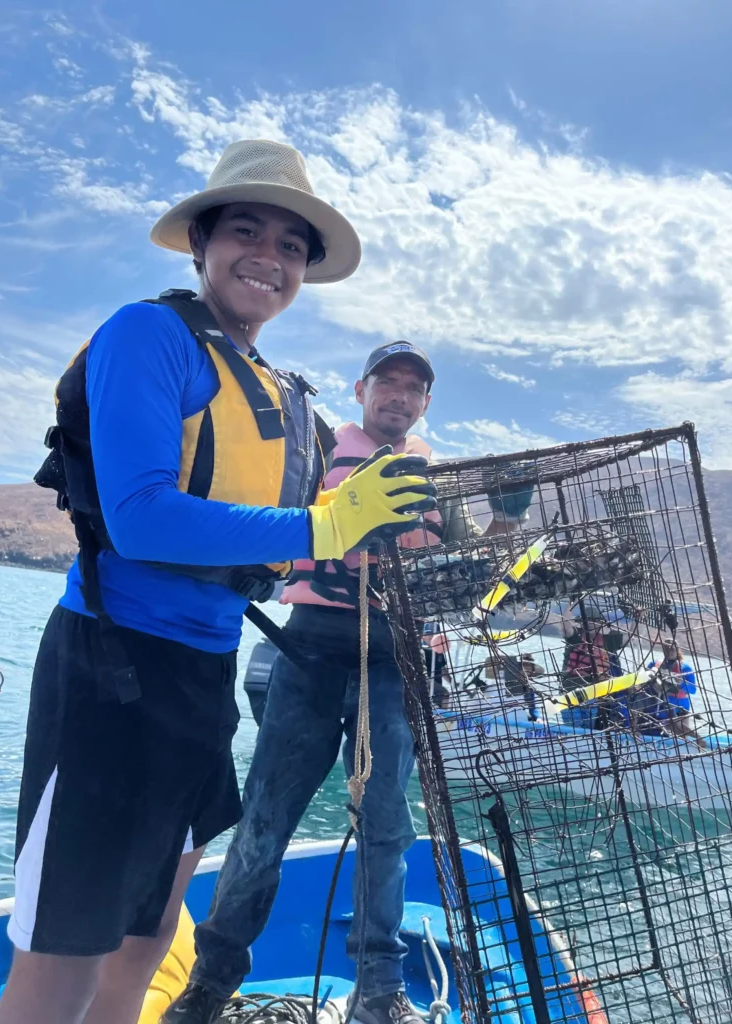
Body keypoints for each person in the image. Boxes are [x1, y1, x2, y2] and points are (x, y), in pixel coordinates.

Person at [0, 140, 437, 1024]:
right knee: (60, 961)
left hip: (203, 680)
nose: (268, 257)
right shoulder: (149, 335)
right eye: (245, 230)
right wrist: (327, 525)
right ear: (200, 242)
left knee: (147, 935)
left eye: (292, 245)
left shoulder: (278, 389)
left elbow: (263, 552)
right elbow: (141, 515)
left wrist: (359, 536)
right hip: (111, 673)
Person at [164, 343, 533, 1024]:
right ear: (360, 390)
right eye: (386, 383)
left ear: (425, 404)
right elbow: (271, 523)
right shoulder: (319, 455)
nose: (397, 395)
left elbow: (477, 568)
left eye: (412, 388)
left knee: (387, 826)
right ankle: (210, 986)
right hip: (308, 651)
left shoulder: (434, 479)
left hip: (397, 662)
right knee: (264, 823)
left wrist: (508, 516)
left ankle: (378, 989)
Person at [646, 641, 706, 747]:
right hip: (659, 705)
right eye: (666, 649)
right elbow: (644, 680)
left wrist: (681, 682)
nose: (670, 652)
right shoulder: (654, 664)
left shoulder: (685, 668)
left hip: (680, 707)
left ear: (677, 650)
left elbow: (693, 690)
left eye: (672, 649)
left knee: (680, 729)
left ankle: (699, 741)